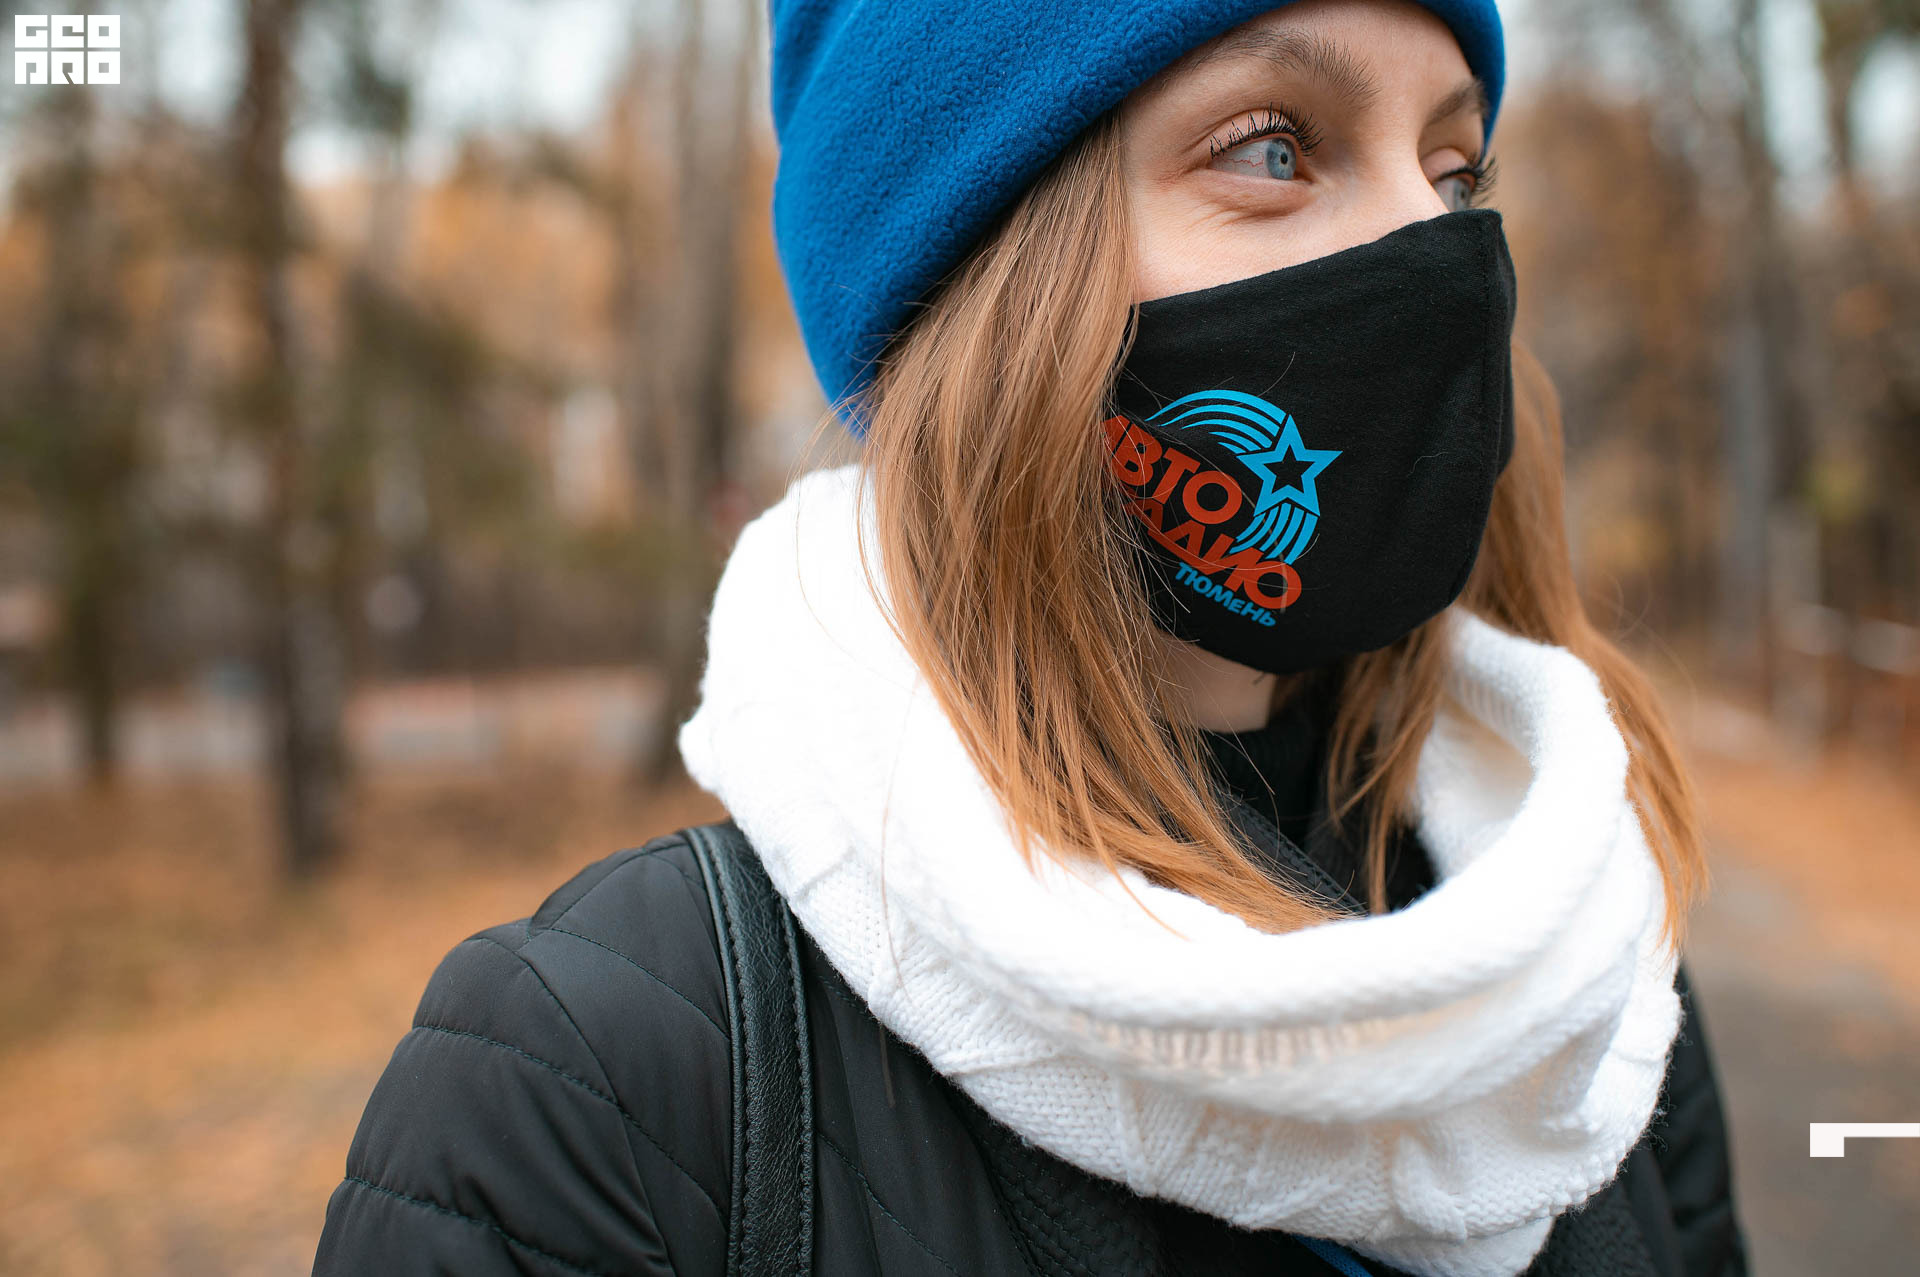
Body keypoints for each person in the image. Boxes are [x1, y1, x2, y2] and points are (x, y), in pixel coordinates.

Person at [311, 0, 1750, 1273]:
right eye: (1273, 148)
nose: (1436, 249)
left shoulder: (1579, 985)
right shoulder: (602, 1081)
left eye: (1454, 168)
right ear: (986, 275)